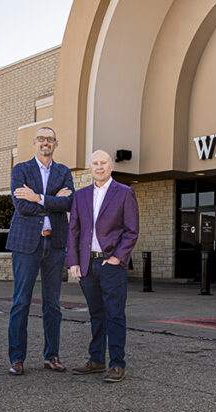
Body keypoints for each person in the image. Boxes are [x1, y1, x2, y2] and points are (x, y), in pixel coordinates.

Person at [6, 127, 74, 375]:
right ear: (35, 142)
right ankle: (17, 358)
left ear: (56, 144)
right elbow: (22, 206)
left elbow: (69, 202)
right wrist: (51, 200)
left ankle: (52, 356)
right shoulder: (21, 170)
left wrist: (39, 198)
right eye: (42, 139)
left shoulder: (63, 171)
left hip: (55, 244)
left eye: (50, 140)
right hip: (26, 244)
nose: (46, 143)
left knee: (52, 304)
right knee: (21, 302)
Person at [67, 150, 139, 383]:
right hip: (88, 265)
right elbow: (74, 230)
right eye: (95, 163)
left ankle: (117, 364)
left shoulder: (125, 193)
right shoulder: (81, 195)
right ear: (90, 166)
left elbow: (131, 231)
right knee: (96, 314)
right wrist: (74, 261)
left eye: (103, 163)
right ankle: (97, 359)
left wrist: (118, 257)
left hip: (111, 264)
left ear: (111, 166)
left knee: (115, 314)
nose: (99, 166)